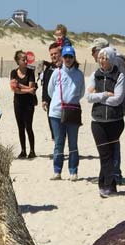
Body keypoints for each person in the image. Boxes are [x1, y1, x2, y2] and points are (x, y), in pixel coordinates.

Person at [86, 46, 125, 197]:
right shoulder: (94, 75)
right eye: (100, 58)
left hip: (115, 120)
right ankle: (107, 186)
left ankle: (106, 185)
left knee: (110, 153)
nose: (102, 61)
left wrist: (99, 97)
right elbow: (88, 97)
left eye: (105, 58)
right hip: (97, 121)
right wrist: (104, 94)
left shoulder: (119, 75)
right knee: (104, 154)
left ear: (111, 59)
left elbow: (118, 99)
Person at [47, 44, 85, 180]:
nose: (68, 59)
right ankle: (57, 170)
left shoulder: (79, 75)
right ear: (62, 58)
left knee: (73, 143)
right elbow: (50, 91)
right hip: (56, 113)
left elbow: (81, 92)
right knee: (58, 143)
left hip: (73, 112)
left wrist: (70, 103)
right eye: (65, 56)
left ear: (74, 58)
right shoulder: (56, 73)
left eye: (70, 57)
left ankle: (73, 171)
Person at [9, 50, 38, 159]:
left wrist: (20, 85)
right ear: (17, 61)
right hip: (18, 103)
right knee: (20, 127)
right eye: (23, 59)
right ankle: (23, 151)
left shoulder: (31, 72)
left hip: (29, 103)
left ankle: (32, 151)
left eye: (26, 59)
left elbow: (32, 87)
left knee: (28, 127)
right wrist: (28, 89)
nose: (26, 61)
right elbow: (14, 89)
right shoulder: (13, 72)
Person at [40, 41, 62, 147]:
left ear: (60, 53)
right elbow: (45, 85)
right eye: (51, 54)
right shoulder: (49, 68)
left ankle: (59, 147)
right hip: (51, 103)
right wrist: (44, 99)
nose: (53, 56)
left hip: (63, 103)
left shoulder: (65, 66)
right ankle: (57, 146)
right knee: (53, 127)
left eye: (55, 53)